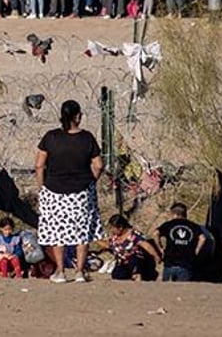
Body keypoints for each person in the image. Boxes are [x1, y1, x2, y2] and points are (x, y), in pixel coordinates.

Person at [35, 99, 104, 283]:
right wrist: (90, 181)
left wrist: (42, 187)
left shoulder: (51, 137)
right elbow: (98, 165)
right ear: (77, 116)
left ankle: (60, 270)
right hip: (81, 191)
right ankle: (80, 271)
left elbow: (39, 164)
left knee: (58, 232)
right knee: (81, 232)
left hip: (54, 190)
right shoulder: (87, 138)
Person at [95, 214, 159, 281]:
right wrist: (94, 240)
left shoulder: (134, 235)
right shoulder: (115, 237)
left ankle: (138, 277)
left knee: (133, 260)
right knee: (117, 274)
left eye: (113, 228)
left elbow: (146, 245)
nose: (111, 230)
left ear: (120, 227)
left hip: (138, 262)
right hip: (123, 263)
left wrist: (156, 256)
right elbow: (108, 245)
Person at [153, 202, 206, 282]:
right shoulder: (193, 226)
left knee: (166, 291)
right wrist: (196, 251)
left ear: (173, 214)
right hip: (186, 264)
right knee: (182, 292)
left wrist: (160, 248)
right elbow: (203, 238)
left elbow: (155, 233)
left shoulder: (169, 224)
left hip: (169, 264)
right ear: (185, 213)